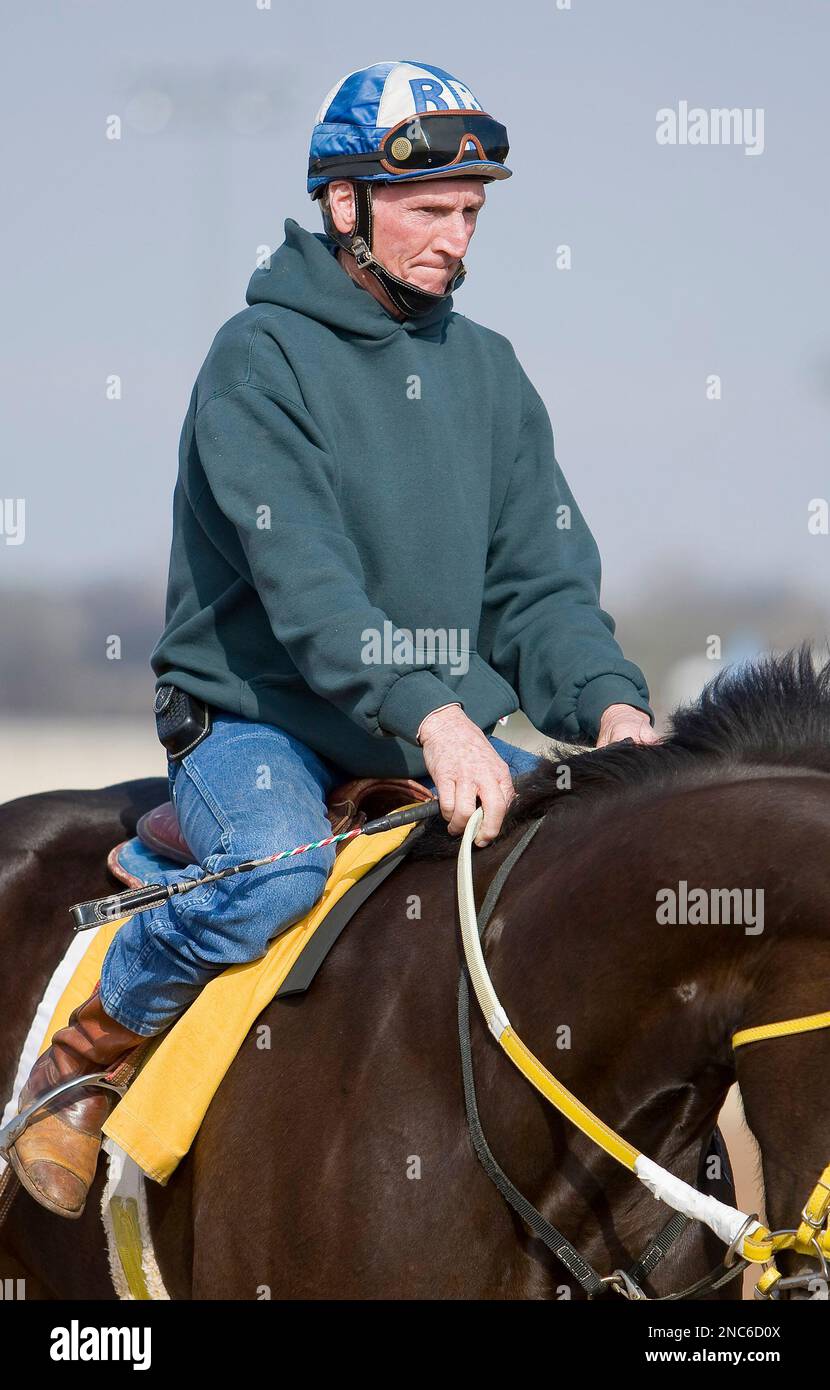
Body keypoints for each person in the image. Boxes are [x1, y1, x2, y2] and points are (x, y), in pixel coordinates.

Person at [10, 59, 658, 1218]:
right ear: (343, 204)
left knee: (601, 870)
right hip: (255, 723)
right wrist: (434, 713)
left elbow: (540, 589)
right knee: (277, 878)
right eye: (427, 209)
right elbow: (307, 586)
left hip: (427, 731)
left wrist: (610, 704)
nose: (454, 238)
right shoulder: (253, 362)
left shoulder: (492, 375)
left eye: (470, 212)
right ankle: (83, 1051)